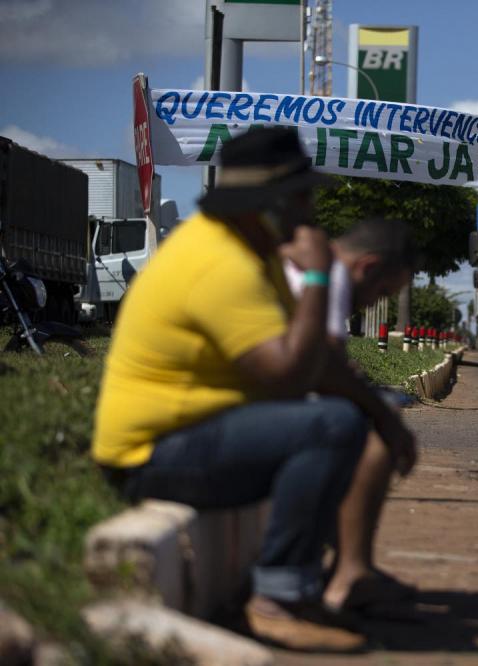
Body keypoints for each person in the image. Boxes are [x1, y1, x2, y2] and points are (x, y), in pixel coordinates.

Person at [91, 127, 418, 652]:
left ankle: (302, 591)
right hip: (149, 454)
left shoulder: (251, 250)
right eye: (302, 196)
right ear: (269, 202)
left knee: (344, 417)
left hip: (194, 435)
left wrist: (384, 417)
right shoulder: (220, 263)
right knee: (330, 426)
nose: (310, 211)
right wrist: (316, 280)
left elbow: (318, 364)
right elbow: (289, 374)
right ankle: (276, 599)